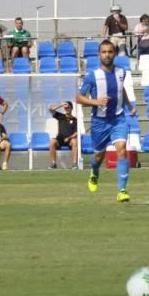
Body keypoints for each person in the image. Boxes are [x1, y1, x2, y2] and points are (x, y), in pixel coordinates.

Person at [77, 39, 136, 202]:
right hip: (99, 122)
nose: (107, 55)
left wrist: (130, 106)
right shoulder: (92, 75)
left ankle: (122, 190)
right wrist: (95, 102)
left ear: (115, 53)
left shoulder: (121, 72)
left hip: (118, 119)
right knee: (98, 156)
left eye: (110, 52)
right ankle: (94, 172)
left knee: (122, 149)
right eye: (104, 52)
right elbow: (78, 97)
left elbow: (120, 89)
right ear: (99, 54)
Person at [48, 101, 79, 169]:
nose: (67, 109)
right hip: (60, 139)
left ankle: (74, 164)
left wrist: (69, 138)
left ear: (71, 108)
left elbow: (76, 133)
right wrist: (61, 105)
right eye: (66, 108)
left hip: (69, 140)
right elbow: (50, 109)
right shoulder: (61, 116)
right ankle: (53, 164)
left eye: (68, 107)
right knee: (52, 142)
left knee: (75, 141)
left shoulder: (75, 120)